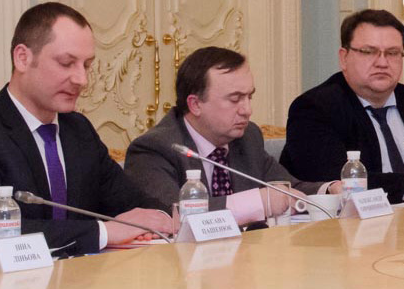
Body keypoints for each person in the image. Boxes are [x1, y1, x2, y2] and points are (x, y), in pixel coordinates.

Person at [0, 3, 176, 254]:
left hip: (82, 275)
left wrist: (161, 218)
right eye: (66, 63)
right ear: (23, 58)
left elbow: (130, 201)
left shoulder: (78, 130)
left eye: (86, 65)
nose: (81, 80)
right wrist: (104, 232)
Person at [282, 9, 404, 203]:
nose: (382, 63)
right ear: (344, 58)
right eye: (369, 52)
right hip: (355, 221)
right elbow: (338, 181)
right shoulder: (314, 108)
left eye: (392, 53)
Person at [125, 47, 337, 226]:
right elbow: (171, 215)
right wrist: (258, 202)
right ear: (195, 104)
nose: (247, 110)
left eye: (249, 97)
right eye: (235, 99)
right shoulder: (154, 149)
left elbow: (287, 188)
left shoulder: (247, 137)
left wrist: (330, 190)